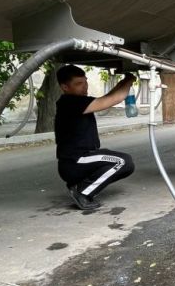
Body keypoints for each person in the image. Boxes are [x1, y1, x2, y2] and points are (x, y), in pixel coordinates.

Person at [54, 65, 137, 210]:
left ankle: (80, 185)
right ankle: (82, 192)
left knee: (121, 161)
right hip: (76, 161)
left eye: (85, 82)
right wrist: (129, 80)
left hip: (81, 160)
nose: (84, 87)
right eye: (78, 84)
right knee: (123, 162)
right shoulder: (71, 102)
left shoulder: (77, 101)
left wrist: (124, 82)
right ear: (65, 87)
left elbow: (107, 97)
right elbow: (115, 98)